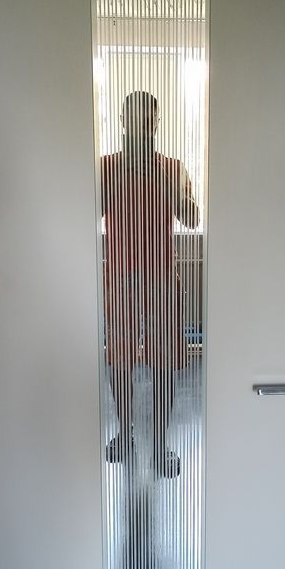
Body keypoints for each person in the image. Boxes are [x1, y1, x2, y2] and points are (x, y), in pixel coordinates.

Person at [100, 91, 199, 478]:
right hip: (120, 277)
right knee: (120, 358)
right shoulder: (105, 168)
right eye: (135, 119)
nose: (142, 126)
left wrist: (167, 185)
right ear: (123, 121)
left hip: (161, 278)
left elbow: (192, 218)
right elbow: (83, 211)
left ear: (156, 123)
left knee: (165, 362)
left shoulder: (172, 168)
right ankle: (125, 431)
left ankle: (159, 443)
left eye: (149, 120)